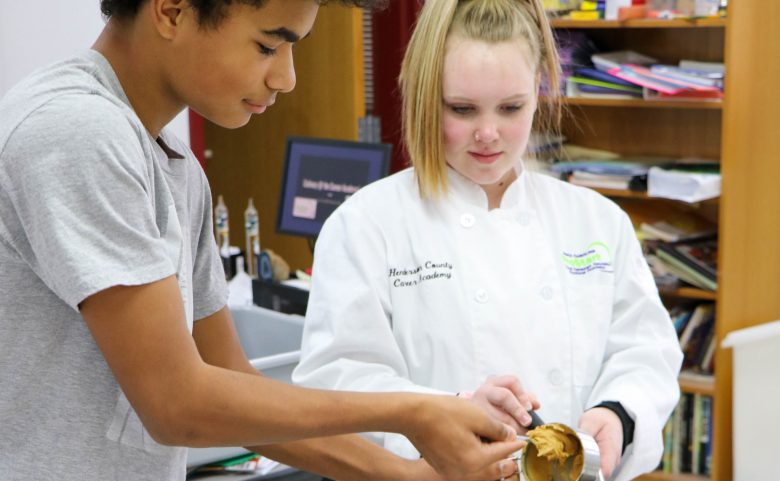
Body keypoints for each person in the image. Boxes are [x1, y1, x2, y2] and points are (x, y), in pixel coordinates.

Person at [0, 1, 528, 480]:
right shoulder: (76, 131)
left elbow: (226, 380)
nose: (286, 78)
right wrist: (411, 410)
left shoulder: (174, 169)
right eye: (268, 46)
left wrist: (404, 474)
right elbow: (178, 404)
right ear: (171, 10)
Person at [292, 0, 684, 479]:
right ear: (423, 96)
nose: (488, 133)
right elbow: (337, 384)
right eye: (461, 108)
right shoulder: (366, 226)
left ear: (539, 90)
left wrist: (618, 414)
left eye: (511, 107)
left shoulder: (597, 222)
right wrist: (451, 412)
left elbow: (646, 352)